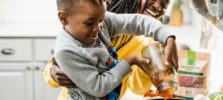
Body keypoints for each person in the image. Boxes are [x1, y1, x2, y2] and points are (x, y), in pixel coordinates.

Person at [46, 0, 178, 99]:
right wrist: (130, 60)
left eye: (164, 5)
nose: (99, 29)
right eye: (90, 23)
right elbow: (99, 87)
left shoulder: (98, 18)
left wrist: (168, 37)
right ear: (63, 18)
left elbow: (136, 21)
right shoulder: (69, 46)